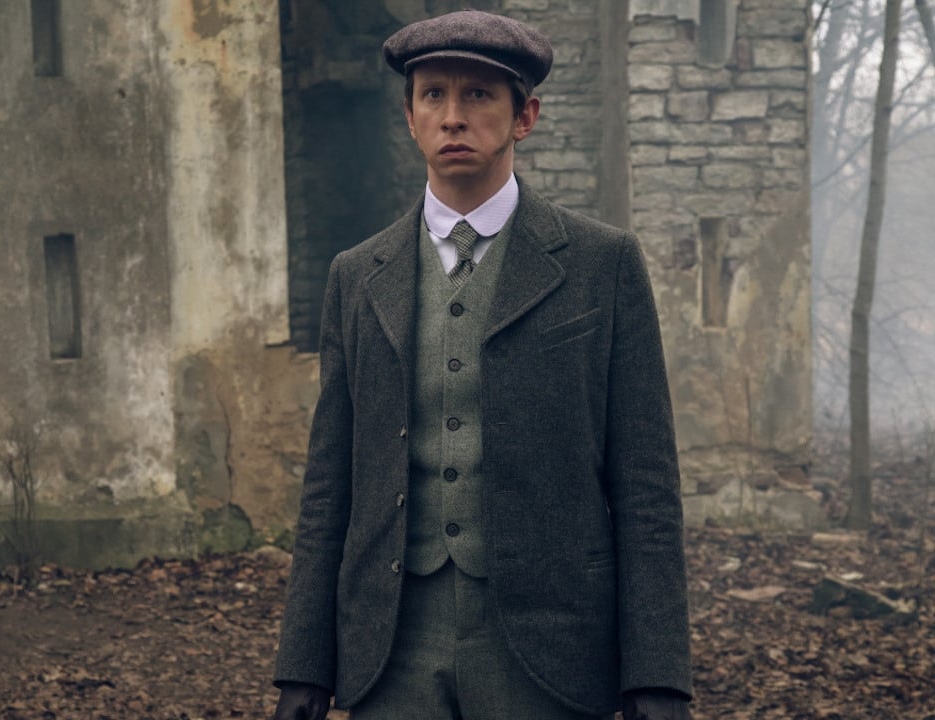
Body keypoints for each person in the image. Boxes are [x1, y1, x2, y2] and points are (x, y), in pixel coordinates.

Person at [271, 9, 692, 720]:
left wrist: (656, 674)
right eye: (433, 94)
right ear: (409, 117)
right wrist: (305, 663)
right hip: (391, 648)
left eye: (478, 95)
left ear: (525, 116)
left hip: (549, 647)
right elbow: (329, 486)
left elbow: (646, 487)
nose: (453, 116)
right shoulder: (356, 275)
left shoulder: (603, 264)